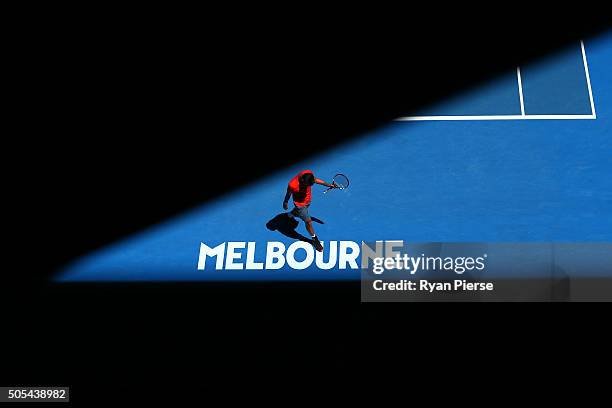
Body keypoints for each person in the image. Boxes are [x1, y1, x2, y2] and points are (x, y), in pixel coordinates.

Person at [283, 170, 336, 252]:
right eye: (306, 185)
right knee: (308, 221)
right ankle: (315, 239)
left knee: (299, 212)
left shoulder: (308, 174)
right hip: (300, 205)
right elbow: (288, 193)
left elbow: (316, 180)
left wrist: (330, 185)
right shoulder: (292, 184)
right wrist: (285, 202)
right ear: (302, 181)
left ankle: (290, 214)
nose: (307, 187)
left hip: (308, 201)